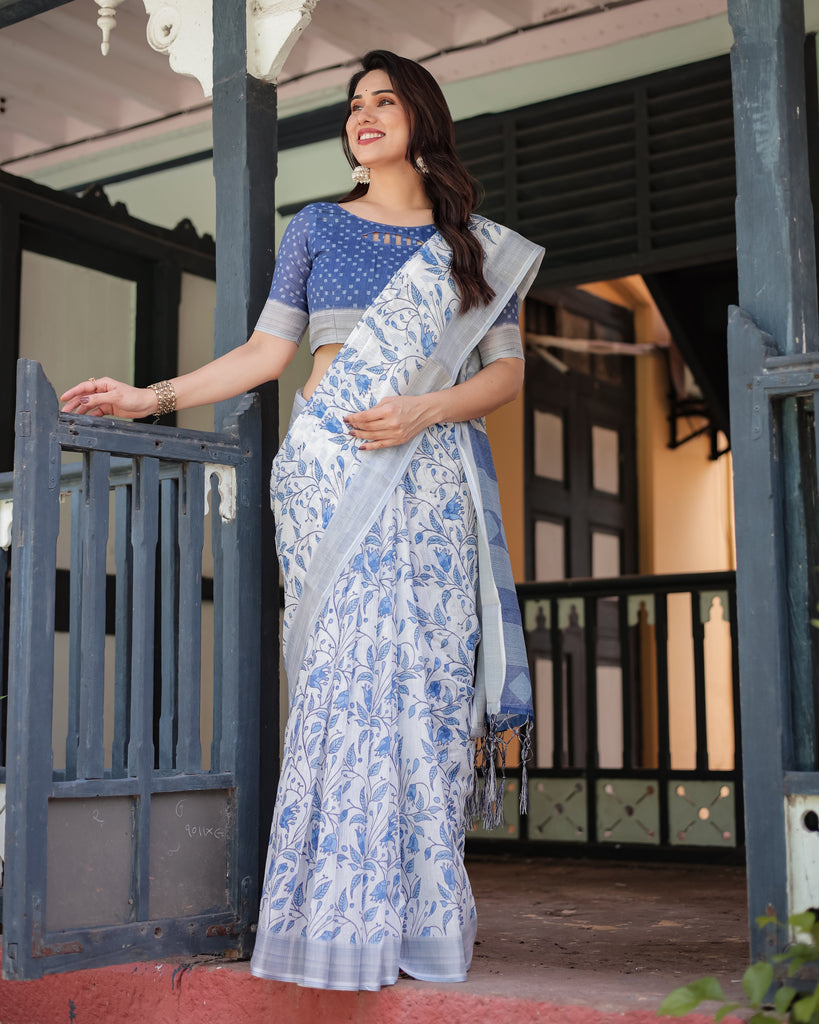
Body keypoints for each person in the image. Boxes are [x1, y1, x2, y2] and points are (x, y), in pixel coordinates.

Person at [60, 49, 543, 992]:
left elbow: (506, 375)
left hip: (429, 476)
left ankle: (415, 920)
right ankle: (334, 922)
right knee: (345, 687)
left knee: (429, 690)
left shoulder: (474, 246)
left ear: (422, 121)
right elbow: (264, 352)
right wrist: (150, 396)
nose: (363, 116)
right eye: (353, 104)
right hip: (329, 475)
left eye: (384, 102)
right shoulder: (317, 226)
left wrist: (420, 410)